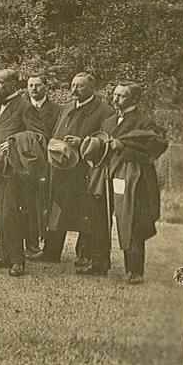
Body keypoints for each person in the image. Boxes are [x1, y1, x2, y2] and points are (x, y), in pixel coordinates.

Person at [0, 68, 49, 276]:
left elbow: (39, 135)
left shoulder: (24, 107)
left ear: (13, 85)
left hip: (13, 169)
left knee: (10, 213)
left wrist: (13, 143)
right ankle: (4, 255)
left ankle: (18, 261)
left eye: (0, 83)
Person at [37, 71, 113, 267]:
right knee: (57, 209)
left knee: (85, 212)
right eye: (72, 85)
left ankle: (84, 254)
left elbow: (104, 142)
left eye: (80, 86)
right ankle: (51, 251)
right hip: (61, 168)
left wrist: (81, 142)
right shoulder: (67, 107)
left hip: (84, 172)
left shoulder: (104, 111)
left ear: (91, 88)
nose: (74, 89)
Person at [101, 82, 168, 284]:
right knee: (101, 217)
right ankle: (100, 263)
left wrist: (122, 147)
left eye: (121, 96)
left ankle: (135, 270)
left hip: (134, 179)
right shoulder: (108, 122)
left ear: (133, 99)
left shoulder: (144, 122)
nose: (115, 99)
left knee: (133, 222)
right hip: (107, 175)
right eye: (114, 94)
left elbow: (153, 150)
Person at [24, 73, 61, 256]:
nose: (34, 89)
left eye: (38, 85)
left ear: (46, 87)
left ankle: (43, 241)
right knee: (24, 202)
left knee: (43, 203)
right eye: (30, 85)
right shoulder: (21, 108)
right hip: (25, 162)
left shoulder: (56, 110)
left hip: (46, 163)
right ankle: (27, 241)